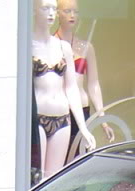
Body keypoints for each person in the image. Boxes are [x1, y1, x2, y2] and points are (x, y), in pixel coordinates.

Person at [32, 0, 94, 180]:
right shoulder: (27, 46)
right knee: (37, 180)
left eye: (53, 9)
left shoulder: (63, 47)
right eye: (45, 8)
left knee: (53, 181)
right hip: (38, 118)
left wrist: (83, 127)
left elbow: (71, 87)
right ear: (35, 11)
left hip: (63, 119)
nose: (51, 13)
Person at [55, 0, 115, 159]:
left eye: (75, 12)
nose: (72, 16)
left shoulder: (86, 47)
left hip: (82, 109)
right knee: (58, 161)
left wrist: (103, 120)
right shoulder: (51, 46)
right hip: (59, 111)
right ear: (57, 14)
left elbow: (94, 84)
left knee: (79, 158)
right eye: (67, 11)